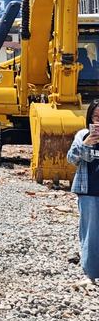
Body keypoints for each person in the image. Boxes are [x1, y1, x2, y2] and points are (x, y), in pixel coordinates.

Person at [67, 98, 99, 280]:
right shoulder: (83, 135)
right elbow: (71, 159)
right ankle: (92, 273)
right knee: (90, 232)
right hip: (88, 191)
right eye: (96, 117)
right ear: (90, 118)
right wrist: (86, 144)